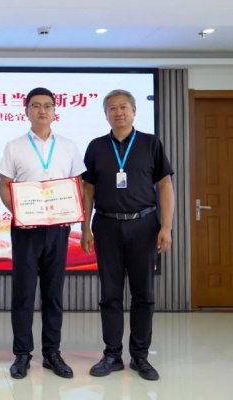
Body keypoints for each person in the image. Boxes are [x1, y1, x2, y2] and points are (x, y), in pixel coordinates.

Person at [82, 89, 174, 381]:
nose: (118, 112)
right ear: (105, 114)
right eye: (112, 108)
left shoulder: (150, 143)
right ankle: (112, 355)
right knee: (109, 294)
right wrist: (84, 227)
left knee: (143, 294)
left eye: (124, 107)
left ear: (134, 111)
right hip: (106, 226)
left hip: (144, 226)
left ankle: (140, 356)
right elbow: (88, 189)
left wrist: (166, 227)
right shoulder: (96, 147)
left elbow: (165, 185)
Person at [0, 87, 86, 380]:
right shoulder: (14, 146)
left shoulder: (68, 146)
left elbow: (77, 184)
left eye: (48, 105)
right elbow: (4, 184)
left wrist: (74, 214)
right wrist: (20, 213)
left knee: (53, 292)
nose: (42, 111)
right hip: (26, 229)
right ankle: (22, 354)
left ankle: (52, 353)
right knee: (23, 292)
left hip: (58, 229)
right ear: (26, 111)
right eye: (36, 106)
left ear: (55, 110)